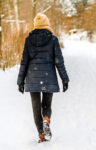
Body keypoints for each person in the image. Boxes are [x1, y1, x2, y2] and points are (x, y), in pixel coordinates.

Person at [17, 13, 69, 143]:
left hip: (32, 77)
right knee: (47, 104)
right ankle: (46, 119)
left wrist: (20, 81)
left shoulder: (29, 40)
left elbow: (24, 61)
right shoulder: (53, 39)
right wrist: (65, 79)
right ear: (47, 24)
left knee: (36, 106)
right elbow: (59, 61)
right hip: (48, 77)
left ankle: (41, 134)